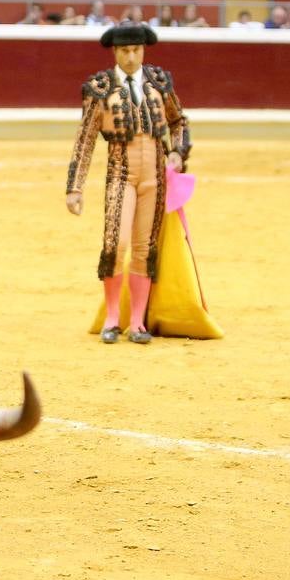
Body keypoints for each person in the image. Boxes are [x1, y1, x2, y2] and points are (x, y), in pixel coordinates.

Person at [65, 21, 190, 344]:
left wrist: (177, 152)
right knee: (115, 244)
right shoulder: (100, 87)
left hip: (155, 176)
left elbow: (179, 122)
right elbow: (86, 138)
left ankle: (136, 323)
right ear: (115, 52)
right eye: (124, 51)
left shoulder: (159, 83)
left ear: (143, 50)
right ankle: (111, 319)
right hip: (121, 172)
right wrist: (75, 186)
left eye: (136, 50)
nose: (131, 57)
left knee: (143, 248)